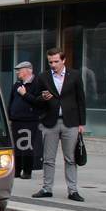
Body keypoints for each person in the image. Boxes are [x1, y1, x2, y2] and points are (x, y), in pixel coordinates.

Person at [33, 48, 87, 202]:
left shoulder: (75, 75)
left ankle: (73, 190)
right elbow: (35, 99)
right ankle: (46, 188)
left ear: (63, 60)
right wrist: (43, 97)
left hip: (71, 122)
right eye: (50, 62)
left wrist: (82, 123)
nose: (53, 64)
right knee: (48, 158)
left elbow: (81, 100)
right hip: (50, 122)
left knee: (71, 158)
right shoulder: (43, 77)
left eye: (56, 61)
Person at [7, 61, 48, 180]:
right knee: (17, 146)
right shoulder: (17, 84)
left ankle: (27, 171)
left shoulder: (37, 84)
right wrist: (9, 115)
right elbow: (11, 100)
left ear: (27, 70)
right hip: (16, 119)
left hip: (29, 120)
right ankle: (17, 170)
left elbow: (39, 101)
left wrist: (25, 94)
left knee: (27, 146)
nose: (17, 72)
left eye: (19, 70)